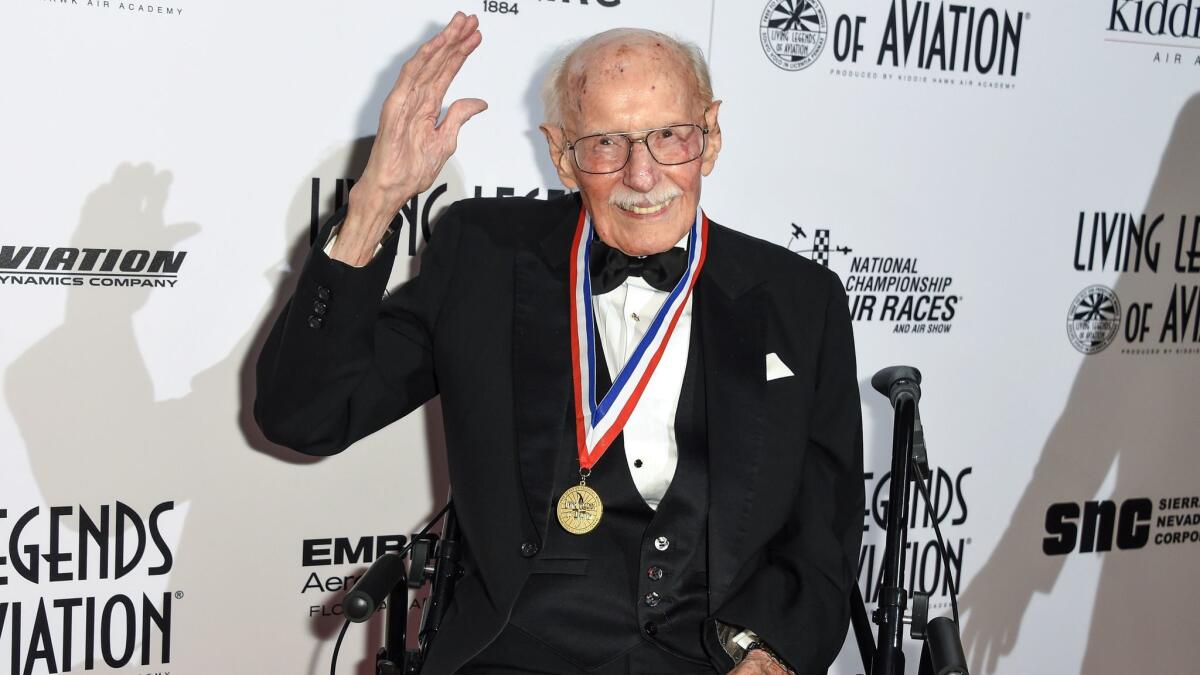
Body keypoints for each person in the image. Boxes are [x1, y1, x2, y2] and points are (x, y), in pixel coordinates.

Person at [255, 12, 863, 675]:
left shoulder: (801, 300)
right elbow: (304, 417)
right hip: (511, 653)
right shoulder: (483, 255)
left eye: (669, 136)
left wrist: (772, 651)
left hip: (710, 658)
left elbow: (823, 529)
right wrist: (377, 200)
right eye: (606, 143)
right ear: (561, 154)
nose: (642, 174)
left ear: (710, 137)